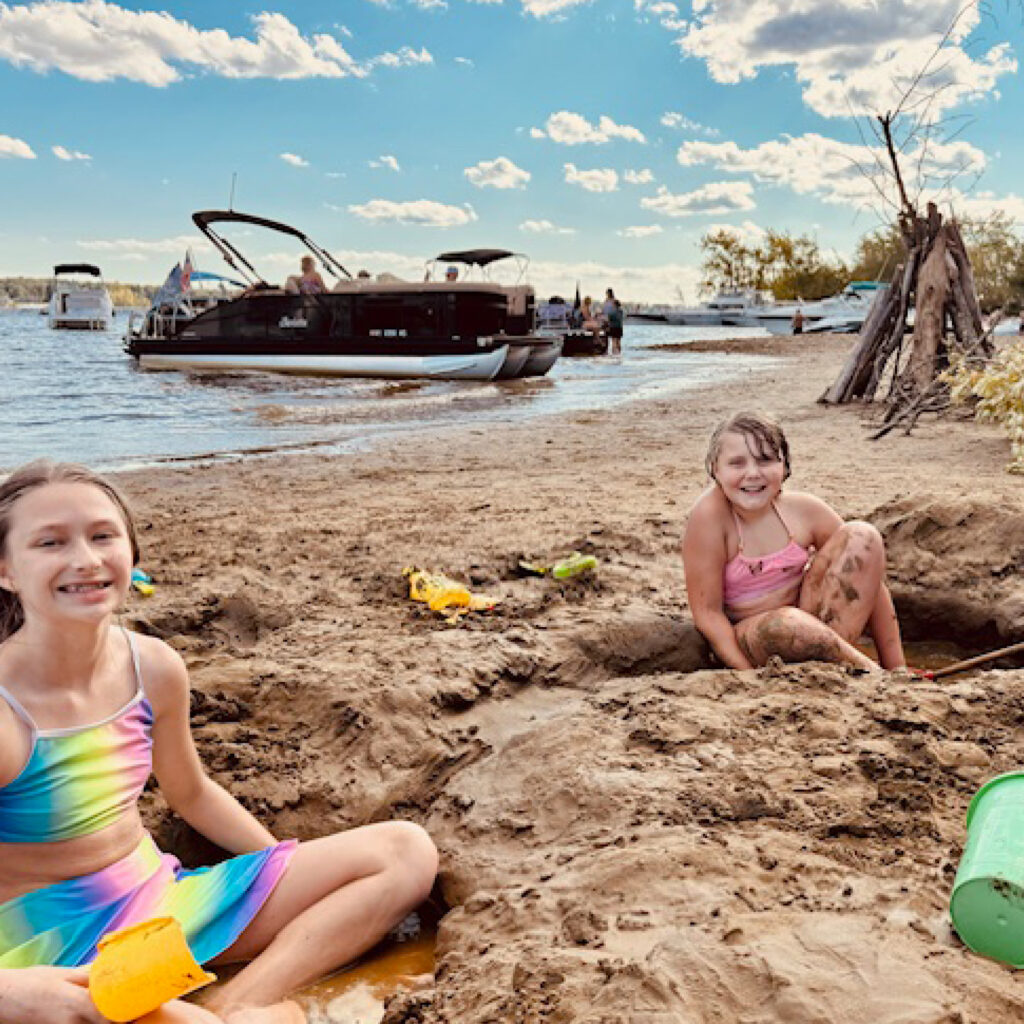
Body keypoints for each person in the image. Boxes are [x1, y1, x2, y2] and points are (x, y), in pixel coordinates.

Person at [0, 460, 438, 1024]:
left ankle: (244, 1001)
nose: (85, 559)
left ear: (130, 551)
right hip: (63, 955)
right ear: (7, 569)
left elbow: (193, 794)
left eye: (103, 535)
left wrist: (274, 873)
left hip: (169, 905)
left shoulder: (152, 666)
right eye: (51, 542)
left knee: (405, 851)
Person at [682, 412, 905, 672]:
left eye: (765, 460)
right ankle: (870, 673)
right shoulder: (709, 517)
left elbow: (869, 581)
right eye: (737, 463)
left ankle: (842, 666)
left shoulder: (803, 510)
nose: (753, 473)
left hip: (813, 627)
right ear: (715, 469)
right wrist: (745, 674)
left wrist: (897, 666)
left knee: (863, 535)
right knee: (787, 625)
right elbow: (707, 614)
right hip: (755, 637)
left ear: (784, 466)